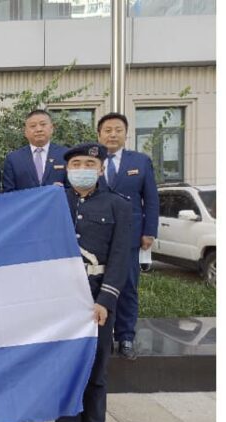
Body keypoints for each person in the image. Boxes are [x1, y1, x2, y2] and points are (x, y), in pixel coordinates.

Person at [51, 142, 131, 422]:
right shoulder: (54, 201)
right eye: (76, 164)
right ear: (67, 170)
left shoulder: (118, 205)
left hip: (97, 300)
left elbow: (121, 257)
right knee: (66, 372)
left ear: (100, 169)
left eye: (89, 164)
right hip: (62, 300)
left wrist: (106, 300)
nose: (82, 169)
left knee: (96, 373)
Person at [96, 112, 159, 360]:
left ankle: (126, 337)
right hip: (98, 236)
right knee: (99, 285)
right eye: (107, 130)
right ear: (99, 134)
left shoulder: (140, 161)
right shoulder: (91, 161)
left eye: (118, 130)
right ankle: (102, 336)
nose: (113, 134)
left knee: (128, 286)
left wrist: (149, 231)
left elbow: (151, 199)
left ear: (126, 133)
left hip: (130, 236)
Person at [2, 110, 69, 192]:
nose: (39, 129)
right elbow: (8, 192)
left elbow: (73, 189)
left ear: (52, 128)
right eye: (33, 126)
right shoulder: (13, 159)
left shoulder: (66, 155)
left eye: (43, 124)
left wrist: (61, 191)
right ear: (25, 132)